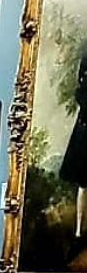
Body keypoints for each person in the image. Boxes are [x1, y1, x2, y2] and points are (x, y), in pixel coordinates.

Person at [59, 52, 87, 247]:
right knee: (83, 184)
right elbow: (81, 95)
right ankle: (78, 232)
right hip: (85, 132)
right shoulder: (85, 60)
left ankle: (79, 232)